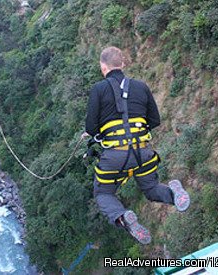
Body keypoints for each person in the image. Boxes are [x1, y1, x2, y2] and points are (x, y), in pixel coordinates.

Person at [83, 46, 190, 245]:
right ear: (122, 64)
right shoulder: (141, 87)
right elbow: (155, 120)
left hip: (114, 157)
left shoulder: (99, 89)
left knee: (103, 193)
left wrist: (100, 132)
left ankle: (123, 217)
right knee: (150, 188)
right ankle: (174, 194)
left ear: (103, 67)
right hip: (143, 153)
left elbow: (91, 127)